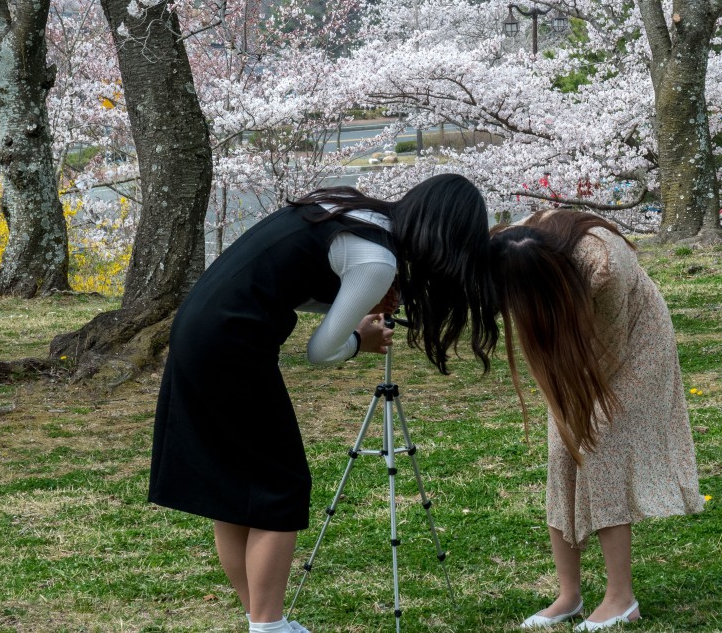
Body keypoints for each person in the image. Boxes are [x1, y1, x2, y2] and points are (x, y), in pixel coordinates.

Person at [149, 174, 497, 633]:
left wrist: (356, 307)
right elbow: (321, 351)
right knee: (280, 488)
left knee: (236, 494)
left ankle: (260, 619)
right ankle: (269, 626)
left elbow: (289, 277)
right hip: (234, 346)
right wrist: (361, 339)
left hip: (198, 329)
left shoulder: (349, 208)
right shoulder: (377, 259)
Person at [488, 210, 703, 630]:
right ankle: (569, 595)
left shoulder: (602, 268)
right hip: (573, 338)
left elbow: (611, 345)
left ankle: (621, 598)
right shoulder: (511, 247)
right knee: (561, 452)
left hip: (636, 342)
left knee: (600, 448)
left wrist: (583, 409)